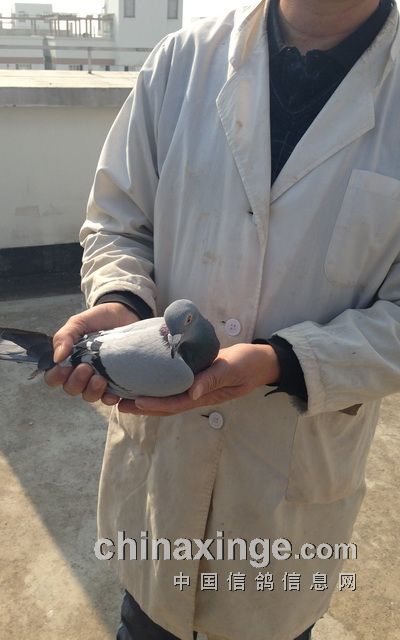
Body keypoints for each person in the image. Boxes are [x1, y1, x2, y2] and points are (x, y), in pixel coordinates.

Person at [44, 0, 400, 638]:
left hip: (290, 481)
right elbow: (119, 221)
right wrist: (124, 301)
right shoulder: (182, 63)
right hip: (162, 470)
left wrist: (283, 361)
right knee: (147, 620)